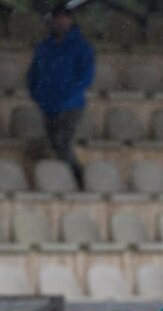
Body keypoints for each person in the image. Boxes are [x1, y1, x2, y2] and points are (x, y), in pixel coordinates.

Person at [25, 4, 94, 189]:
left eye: (65, 17)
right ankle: (64, 182)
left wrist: (68, 95)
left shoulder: (81, 46)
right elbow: (33, 74)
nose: (61, 21)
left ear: (70, 20)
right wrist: (37, 94)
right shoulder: (44, 47)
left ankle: (79, 181)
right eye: (58, 18)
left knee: (62, 145)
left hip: (71, 105)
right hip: (48, 105)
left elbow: (85, 76)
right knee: (54, 145)